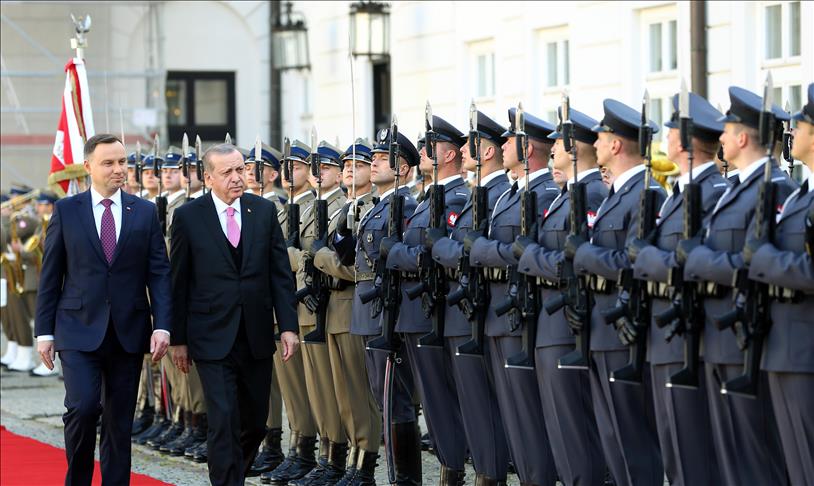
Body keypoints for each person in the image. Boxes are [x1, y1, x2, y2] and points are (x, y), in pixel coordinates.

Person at [34, 133, 172, 486]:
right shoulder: (67, 210)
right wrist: (44, 333)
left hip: (129, 330)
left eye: (122, 162)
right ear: (88, 167)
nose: (118, 169)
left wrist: (163, 325)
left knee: (118, 420)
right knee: (82, 408)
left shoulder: (143, 211)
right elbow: (50, 275)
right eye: (108, 163)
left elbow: (158, 273)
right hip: (77, 329)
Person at [681, 86, 795, 485]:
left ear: (743, 137)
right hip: (720, 334)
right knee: (729, 455)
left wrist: (697, 260)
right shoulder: (734, 189)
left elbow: (753, 262)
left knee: (757, 457)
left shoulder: (775, 187)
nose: (721, 138)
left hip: (746, 337)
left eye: (727, 130)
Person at [169, 143, 300, 486]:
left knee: (256, 421)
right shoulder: (188, 217)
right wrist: (178, 339)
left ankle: (233, 475)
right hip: (210, 336)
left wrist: (288, 327)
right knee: (224, 418)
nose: (237, 178)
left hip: (255, 334)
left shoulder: (263, 211)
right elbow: (178, 283)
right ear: (208, 177)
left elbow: (280, 275)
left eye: (241, 170)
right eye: (227, 172)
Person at [629, 92, 727, 485]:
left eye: (670, 129)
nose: (665, 136)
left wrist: (647, 259)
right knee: (675, 450)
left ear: (683, 141)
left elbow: (690, 262)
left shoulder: (711, 192)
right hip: (666, 332)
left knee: (693, 452)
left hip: (690, 335)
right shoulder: (681, 192)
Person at [569, 99, 666, 486]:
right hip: (601, 324)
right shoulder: (616, 193)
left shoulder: (644, 193)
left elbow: (634, 262)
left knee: (632, 441)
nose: (595, 140)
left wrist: (585, 253)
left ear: (617, 145)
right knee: (614, 438)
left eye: (603, 135)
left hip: (623, 327)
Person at [514, 105, 609, 485]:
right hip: (548, 323)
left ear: (575, 148)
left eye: (558, 143)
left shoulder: (592, 193)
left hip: (569, 322)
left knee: (576, 433)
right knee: (558, 430)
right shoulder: (563, 195)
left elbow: (574, 261)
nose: (550, 150)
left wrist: (529, 255)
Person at [467, 107, 561, 485]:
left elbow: (526, 250)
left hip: (522, 313)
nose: (503, 144)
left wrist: (484, 250)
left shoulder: (545, 192)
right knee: (512, 415)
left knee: (530, 416)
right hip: (498, 312)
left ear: (527, 149)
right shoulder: (510, 193)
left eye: (510, 139)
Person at [386, 114, 471, 483]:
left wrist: (395, 254)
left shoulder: (456, 198)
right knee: (433, 406)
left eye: (428, 146)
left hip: (436, 311)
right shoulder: (426, 198)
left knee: (444, 404)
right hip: (416, 311)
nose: (420, 151)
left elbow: (429, 254)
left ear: (449, 155)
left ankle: (452, 474)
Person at [428, 109, 512, 485]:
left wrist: (439, 249)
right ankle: (480, 472)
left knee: (484, 404)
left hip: (482, 309)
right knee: (470, 402)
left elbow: (467, 250)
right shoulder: (481, 193)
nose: (464, 151)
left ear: (488, 151)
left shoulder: (496, 194)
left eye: (471, 146)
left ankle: (489, 474)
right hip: (464, 307)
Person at [748, 82, 814, 486]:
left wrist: (765, 258)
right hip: (787, 346)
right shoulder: (800, 195)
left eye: (801, 125)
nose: (792, 132)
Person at [312, 139, 383, 484]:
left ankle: (365, 462)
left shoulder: (372, 208)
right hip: (333, 309)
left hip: (355, 306)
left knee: (359, 392)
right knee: (342, 394)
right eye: (348, 165)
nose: (351, 169)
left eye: (360, 163)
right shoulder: (345, 209)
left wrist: (321, 258)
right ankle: (349, 461)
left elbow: (355, 266)